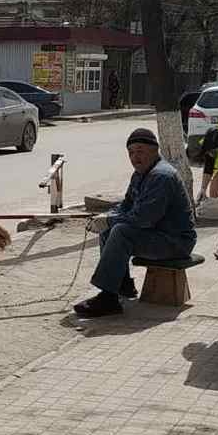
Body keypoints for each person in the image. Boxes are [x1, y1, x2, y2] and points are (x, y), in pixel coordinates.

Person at [73, 127, 197, 318]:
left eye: (140, 151)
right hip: (158, 235)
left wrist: (110, 220)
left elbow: (144, 219)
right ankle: (122, 285)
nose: (134, 157)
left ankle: (108, 297)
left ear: (154, 150)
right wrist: (104, 218)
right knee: (109, 229)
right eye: (131, 152)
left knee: (121, 231)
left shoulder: (161, 175)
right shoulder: (141, 173)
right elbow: (126, 206)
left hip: (175, 241)